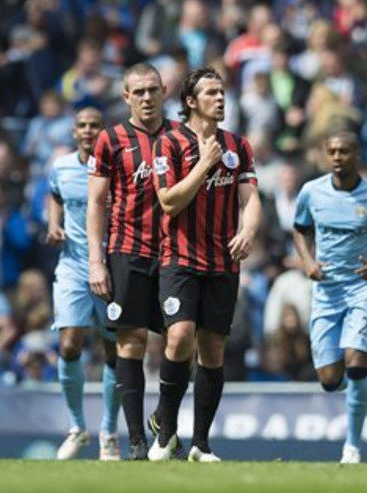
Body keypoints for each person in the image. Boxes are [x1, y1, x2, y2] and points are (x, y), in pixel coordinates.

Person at [150, 66, 261, 462]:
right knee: (179, 336)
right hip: (179, 258)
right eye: (211, 93)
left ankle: (200, 444)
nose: (220, 98)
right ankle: (165, 428)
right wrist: (203, 164)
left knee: (213, 350)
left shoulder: (238, 146)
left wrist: (248, 231)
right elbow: (169, 201)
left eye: (222, 92)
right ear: (191, 102)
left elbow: (250, 199)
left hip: (223, 263)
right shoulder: (169, 143)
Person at [292, 131, 367, 464]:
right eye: (333, 151)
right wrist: (307, 261)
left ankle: (352, 446)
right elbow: (299, 229)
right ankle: (355, 393)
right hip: (326, 291)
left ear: (358, 155)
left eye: (345, 151)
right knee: (329, 380)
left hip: (362, 289)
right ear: (326, 155)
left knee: (357, 363)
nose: (338, 156)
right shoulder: (311, 192)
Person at [87, 62, 180, 460]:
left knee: (183, 339)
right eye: (138, 91)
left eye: (152, 90)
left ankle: (164, 422)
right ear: (126, 96)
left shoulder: (182, 136)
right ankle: (138, 441)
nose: (146, 97)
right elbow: (96, 202)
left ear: (165, 92)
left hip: (178, 253)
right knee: (132, 341)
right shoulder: (110, 140)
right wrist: (96, 260)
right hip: (127, 251)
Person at [46, 107, 121, 461]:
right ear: (74, 132)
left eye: (95, 125)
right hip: (74, 265)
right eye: (82, 125)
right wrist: (53, 223)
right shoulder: (60, 167)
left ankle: (108, 431)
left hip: (113, 268)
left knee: (115, 350)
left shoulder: (117, 167)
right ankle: (77, 427)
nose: (88, 131)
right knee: (69, 344)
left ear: (104, 131)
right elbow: (54, 195)